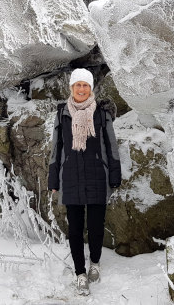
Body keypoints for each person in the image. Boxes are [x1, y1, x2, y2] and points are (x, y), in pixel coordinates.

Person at [48, 68, 121, 296]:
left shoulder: (101, 113)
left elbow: (111, 145)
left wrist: (114, 174)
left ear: (91, 88)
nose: (81, 89)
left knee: (97, 227)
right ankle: (80, 273)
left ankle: (95, 263)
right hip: (70, 176)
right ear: (72, 88)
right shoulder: (63, 114)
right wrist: (53, 177)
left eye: (85, 85)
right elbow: (56, 147)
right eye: (77, 85)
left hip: (97, 175)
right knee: (76, 229)